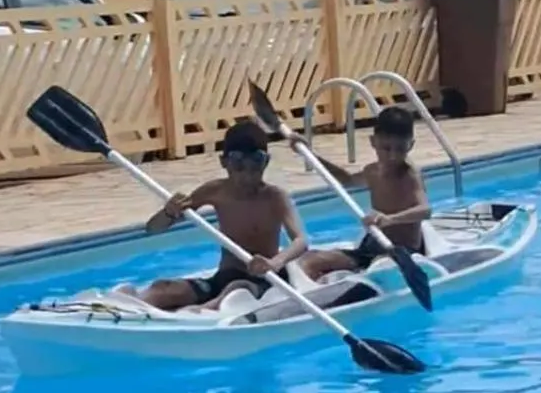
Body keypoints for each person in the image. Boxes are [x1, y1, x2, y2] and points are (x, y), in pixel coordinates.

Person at [138, 119, 308, 312]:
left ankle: (198, 313)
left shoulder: (275, 197)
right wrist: (169, 211)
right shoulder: (215, 191)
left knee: (237, 289)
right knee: (163, 288)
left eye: (255, 169)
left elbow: (301, 241)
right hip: (225, 276)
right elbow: (153, 228)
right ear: (224, 163)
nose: (247, 177)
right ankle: (130, 306)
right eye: (239, 168)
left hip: (266, 281)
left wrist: (275, 262)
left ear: (265, 162)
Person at [298, 105, 431, 284]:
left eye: (401, 149)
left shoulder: (410, 175)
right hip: (372, 247)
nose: (393, 156)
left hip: (402, 251)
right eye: (386, 148)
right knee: (309, 261)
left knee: (380, 265)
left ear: (411, 145)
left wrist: (391, 219)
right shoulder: (372, 172)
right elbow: (346, 180)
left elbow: (425, 210)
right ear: (373, 141)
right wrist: (310, 155)